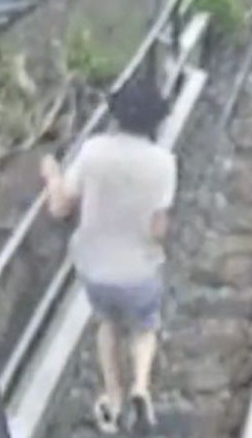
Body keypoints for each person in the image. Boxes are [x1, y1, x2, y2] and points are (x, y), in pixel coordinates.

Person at [40, 74, 177, 434]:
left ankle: (114, 399)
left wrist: (52, 174)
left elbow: (59, 207)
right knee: (145, 327)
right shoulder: (163, 163)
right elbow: (158, 228)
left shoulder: (94, 150)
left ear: (116, 116)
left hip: (95, 268)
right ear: (155, 121)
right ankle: (141, 387)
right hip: (140, 270)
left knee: (107, 324)